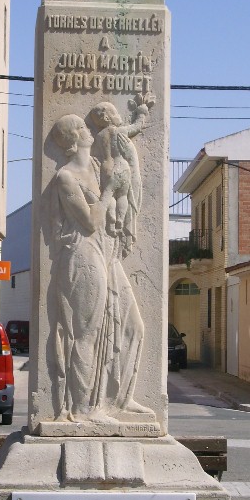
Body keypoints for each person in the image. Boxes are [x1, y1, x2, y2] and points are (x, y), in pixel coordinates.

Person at [50, 113, 151, 422]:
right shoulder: (65, 177)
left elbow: (120, 184)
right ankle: (83, 409)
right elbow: (91, 221)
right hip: (82, 253)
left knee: (133, 326)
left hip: (107, 251)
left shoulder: (95, 166)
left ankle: (120, 398)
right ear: (71, 140)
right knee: (87, 332)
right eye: (81, 127)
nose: (88, 129)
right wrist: (109, 192)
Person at [87, 93, 155, 254]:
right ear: (108, 118)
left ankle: (110, 222)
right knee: (123, 196)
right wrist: (142, 111)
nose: (119, 116)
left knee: (109, 195)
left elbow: (95, 155)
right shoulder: (120, 131)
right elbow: (137, 126)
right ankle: (120, 220)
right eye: (115, 113)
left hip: (107, 168)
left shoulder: (99, 136)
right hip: (122, 167)